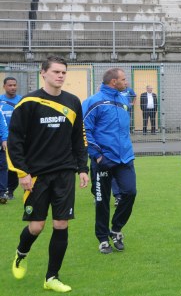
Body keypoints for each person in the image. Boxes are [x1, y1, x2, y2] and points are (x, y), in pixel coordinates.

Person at [7, 56, 89, 293]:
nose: (61, 76)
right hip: (36, 176)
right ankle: (21, 254)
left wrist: (82, 168)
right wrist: (22, 173)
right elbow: (15, 141)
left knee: (61, 224)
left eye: (64, 72)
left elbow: (79, 139)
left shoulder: (73, 102)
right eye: (56, 72)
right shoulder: (29, 102)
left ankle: (51, 277)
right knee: (36, 227)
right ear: (43, 73)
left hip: (64, 172)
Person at [82, 68, 137, 254]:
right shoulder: (93, 102)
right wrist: (97, 155)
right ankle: (103, 239)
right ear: (113, 82)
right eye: (123, 79)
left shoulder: (123, 99)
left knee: (130, 193)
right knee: (102, 200)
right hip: (103, 159)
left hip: (125, 158)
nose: (126, 82)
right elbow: (84, 131)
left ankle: (116, 229)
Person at [1, 76, 22, 200]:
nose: (13, 87)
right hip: (2, 137)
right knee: (2, 164)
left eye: (14, 85)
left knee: (13, 164)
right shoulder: (0, 101)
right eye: (10, 85)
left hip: (17, 137)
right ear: (4, 86)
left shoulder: (21, 101)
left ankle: (10, 190)